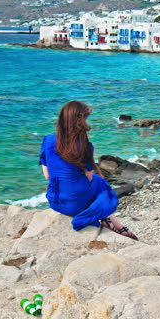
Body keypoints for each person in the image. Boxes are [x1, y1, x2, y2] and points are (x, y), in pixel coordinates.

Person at [38, 100, 138, 239]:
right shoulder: (85, 146)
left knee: (93, 184)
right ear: (80, 121)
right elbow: (89, 178)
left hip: (56, 202)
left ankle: (113, 222)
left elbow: (47, 176)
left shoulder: (48, 140)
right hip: (76, 206)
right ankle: (113, 223)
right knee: (101, 184)